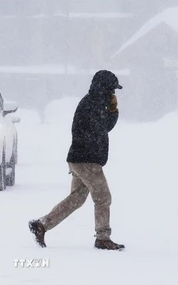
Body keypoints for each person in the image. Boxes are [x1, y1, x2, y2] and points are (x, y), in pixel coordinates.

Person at [29, 70, 125, 251]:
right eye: (112, 89)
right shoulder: (92, 105)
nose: (113, 93)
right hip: (87, 160)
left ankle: (42, 224)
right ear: (104, 88)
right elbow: (104, 128)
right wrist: (113, 111)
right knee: (103, 198)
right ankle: (103, 238)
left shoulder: (92, 103)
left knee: (77, 198)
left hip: (80, 158)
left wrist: (110, 110)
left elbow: (101, 128)